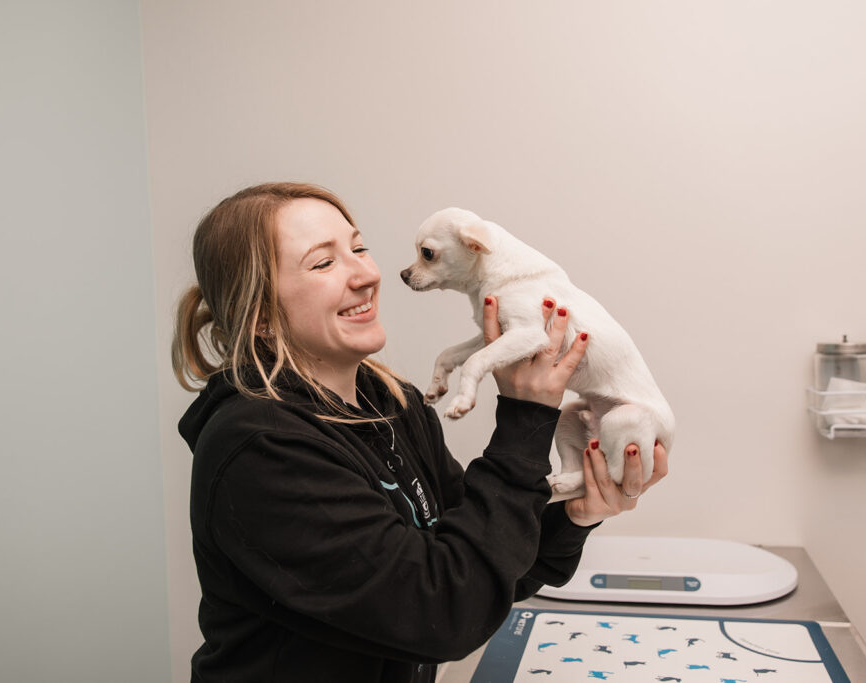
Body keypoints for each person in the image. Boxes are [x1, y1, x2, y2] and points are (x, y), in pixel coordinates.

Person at [172, 182, 667, 683]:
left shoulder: (392, 403)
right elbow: (447, 609)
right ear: (260, 316)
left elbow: (485, 563)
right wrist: (525, 415)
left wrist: (576, 516)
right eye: (323, 263)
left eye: (358, 247)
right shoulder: (261, 450)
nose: (367, 274)